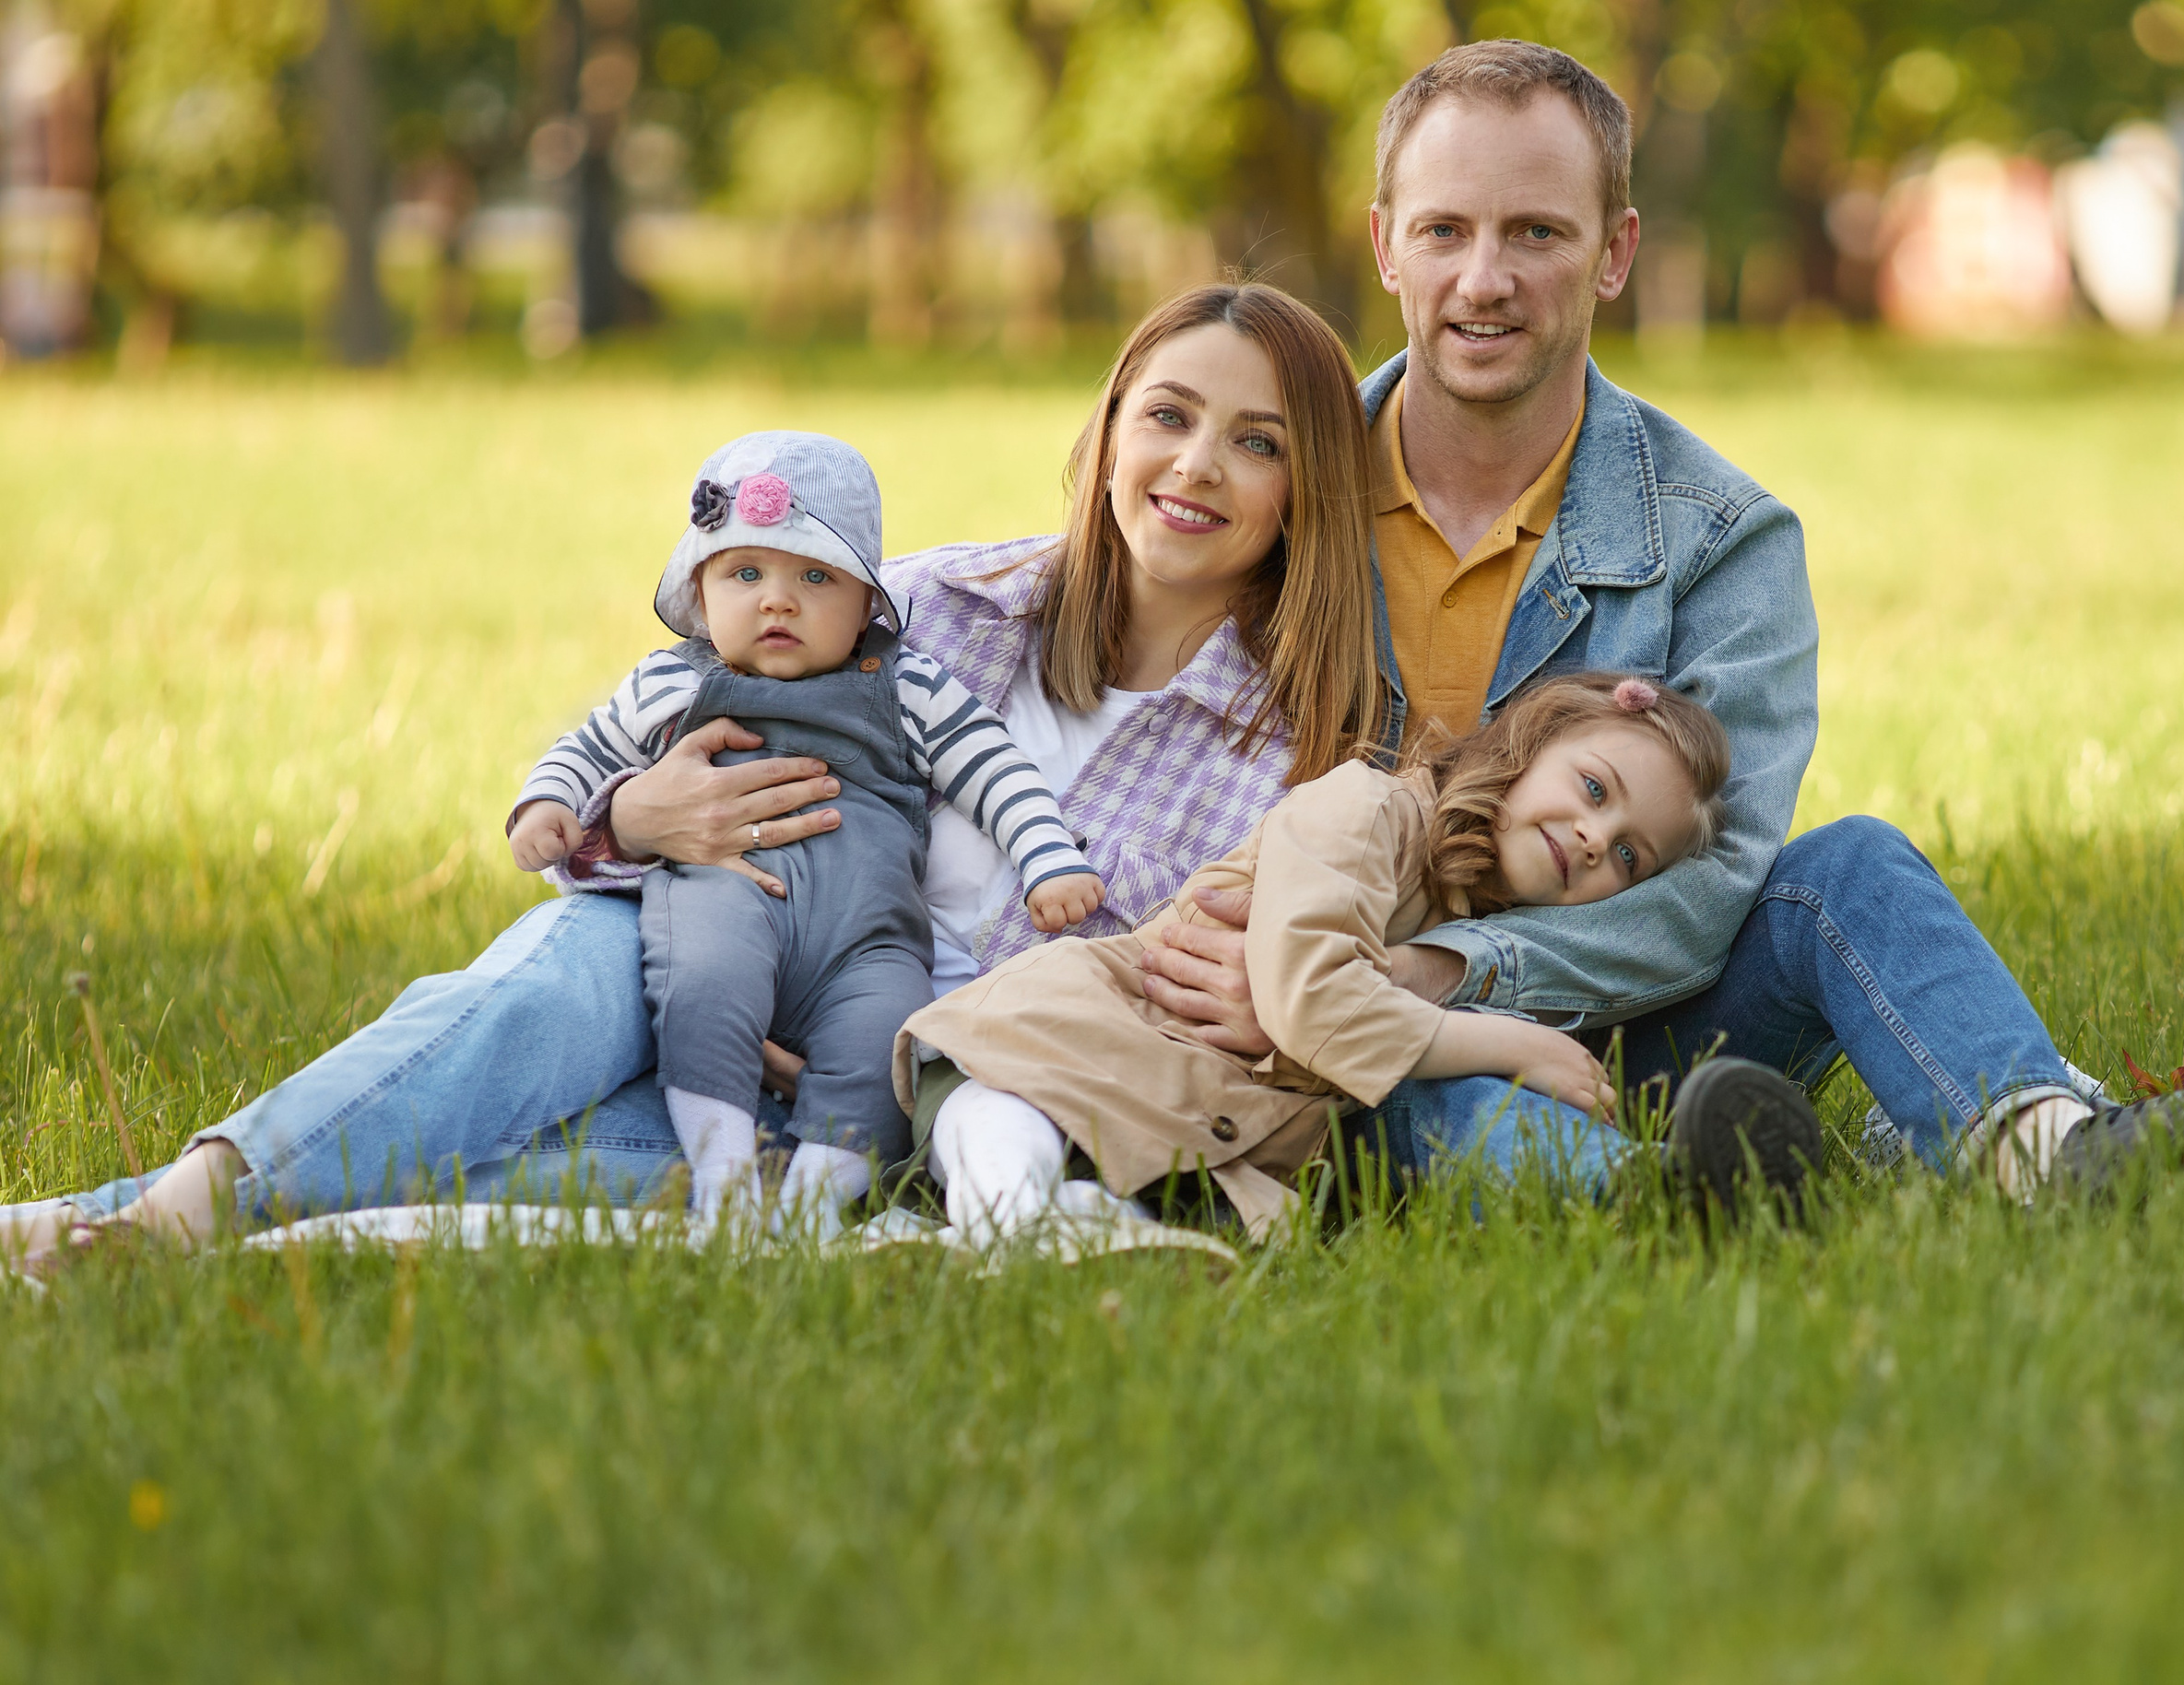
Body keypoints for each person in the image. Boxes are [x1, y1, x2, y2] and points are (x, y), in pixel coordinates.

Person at [1129, 40, 2184, 1198]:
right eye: (1446, 230)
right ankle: (1679, 1195)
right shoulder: (1271, 487)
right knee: (1403, 1091)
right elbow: (1109, 688)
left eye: (1538, 234)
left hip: (1614, 1024)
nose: (1483, 278)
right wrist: (1298, 981)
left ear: (1615, 252)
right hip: (1303, 1037)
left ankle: (2043, 1149)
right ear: (1387, 244)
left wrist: (1428, 977)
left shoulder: (1722, 541)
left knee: (1846, 870)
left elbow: (1708, 895)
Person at [4, 281, 1384, 1266]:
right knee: (543, 986)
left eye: (1255, 441)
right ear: (1112, 433)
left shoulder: (1287, 764)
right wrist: (628, 818)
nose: (1196, 466)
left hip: (865, 1088)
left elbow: (1131, 1019)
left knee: (509, 1156)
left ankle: (122, 1223)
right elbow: (663, 709)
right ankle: (177, 1212)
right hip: (678, 950)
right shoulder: (935, 604)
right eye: (1169, 416)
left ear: (1304, 485)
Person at [905, 673, 1819, 1250]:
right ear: (1528, 743)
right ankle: (1008, 1228)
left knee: (1395, 1135)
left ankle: (1650, 1193)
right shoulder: (1361, 809)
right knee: (1004, 1141)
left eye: (1628, 856)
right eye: (1591, 789)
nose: (1592, 837)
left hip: (1196, 1141)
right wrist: (1505, 1044)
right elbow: (1310, 999)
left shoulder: (1480, 924)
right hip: (1051, 1052)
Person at [506, 429, 1101, 1220]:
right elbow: (587, 746)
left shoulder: (905, 683)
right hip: (725, 905)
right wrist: (549, 804)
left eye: (816, 576)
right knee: (705, 988)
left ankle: (815, 1204)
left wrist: (1050, 860)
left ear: (865, 608)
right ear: (701, 593)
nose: (776, 600)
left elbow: (996, 770)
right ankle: (724, 1179)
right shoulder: (674, 683)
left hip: (868, 939)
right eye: (744, 573)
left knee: (885, 1036)